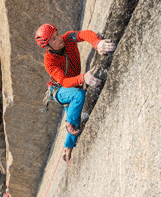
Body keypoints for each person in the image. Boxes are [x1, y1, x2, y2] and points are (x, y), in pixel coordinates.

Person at [35, 23, 115, 163]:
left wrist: (97, 43)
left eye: (57, 34)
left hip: (72, 84)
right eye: (53, 39)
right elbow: (64, 81)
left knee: (76, 119)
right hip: (59, 91)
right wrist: (83, 77)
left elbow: (84, 34)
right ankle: (69, 124)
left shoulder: (67, 38)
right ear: (47, 47)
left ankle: (67, 148)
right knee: (78, 97)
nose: (59, 38)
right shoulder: (49, 62)